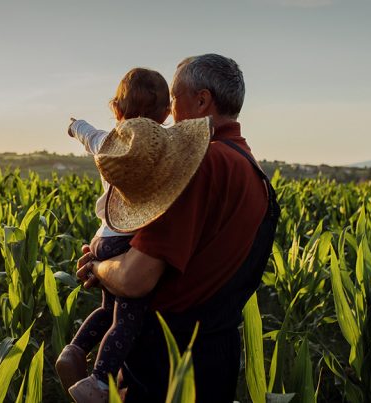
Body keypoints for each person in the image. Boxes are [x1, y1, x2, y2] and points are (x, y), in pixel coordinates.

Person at [76, 53, 280, 403]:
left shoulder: (199, 166)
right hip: (217, 358)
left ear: (201, 101)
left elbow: (134, 278)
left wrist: (98, 266)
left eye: (173, 98)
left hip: (167, 362)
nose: (168, 112)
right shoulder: (254, 174)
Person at [55, 67, 173, 401]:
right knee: (128, 320)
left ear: (116, 110)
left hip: (103, 238)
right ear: (166, 115)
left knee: (108, 310)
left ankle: (75, 349)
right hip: (128, 240)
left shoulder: (106, 143)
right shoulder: (162, 154)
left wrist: (73, 125)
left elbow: (85, 133)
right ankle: (99, 380)